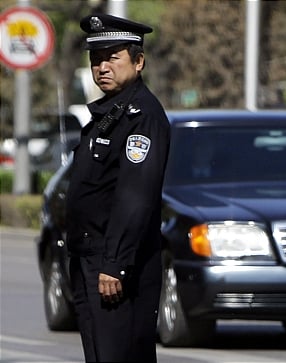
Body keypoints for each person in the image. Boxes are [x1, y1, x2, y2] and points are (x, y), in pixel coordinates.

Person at [66, 14, 170, 362]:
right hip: (92, 259)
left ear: (138, 61)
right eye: (96, 59)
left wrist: (115, 264)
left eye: (113, 57)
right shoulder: (110, 115)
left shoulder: (142, 117)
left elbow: (135, 196)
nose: (102, 67)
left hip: (114, 267)